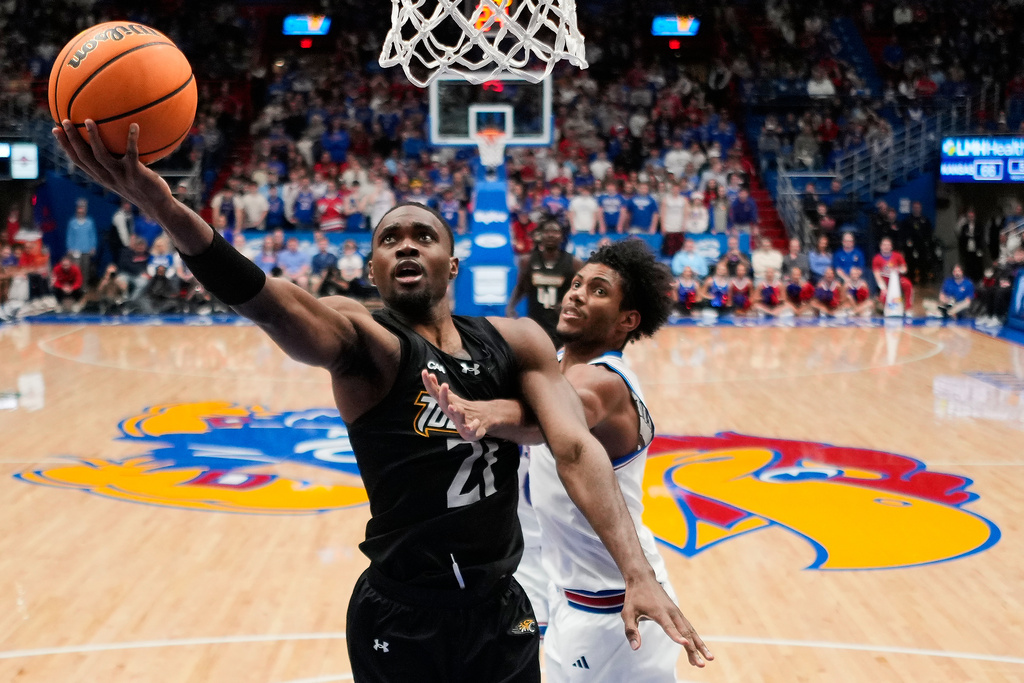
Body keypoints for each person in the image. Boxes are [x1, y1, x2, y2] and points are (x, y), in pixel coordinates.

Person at [55, 120, 705, 682]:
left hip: (500, 605)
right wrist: (166, 206)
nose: (406, 245)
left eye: (423, 235)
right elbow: (270, 303)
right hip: (401, 612)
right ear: (372, 273)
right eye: (390, 240)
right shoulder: (365, 341)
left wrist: (637, 570)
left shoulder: (519, 341)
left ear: (453, 263)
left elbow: (573, 446)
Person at [421, 240, 711, 679]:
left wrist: (487, 413)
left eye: (597, 290)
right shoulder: (555, 364)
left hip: (617, 607)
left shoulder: (605, 383)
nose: (576, 293)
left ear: (627, 320)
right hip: (568, 594)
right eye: (576, 283)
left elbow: (554, 418)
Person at [507, 219, 584, 344]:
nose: (551, 235)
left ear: (562, 236)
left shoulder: (574, 263)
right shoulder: (527, 260)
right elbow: (521, 287)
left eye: (555, 232)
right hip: (536, 324)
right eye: (547, 231)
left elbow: (581, 291)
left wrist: (568, 304)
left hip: (561, 324)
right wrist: (511, 306)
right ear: (540, 235)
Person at [872, 237, 914, 314]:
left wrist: (898, 269)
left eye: (888, 245)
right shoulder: (876, 259)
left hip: (897, 279)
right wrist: (883, 287)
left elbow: (904, 269)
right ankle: (886, 308)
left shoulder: (897, 255)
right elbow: (877, 274)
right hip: (885, 280)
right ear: (881, 246)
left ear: (891, 246)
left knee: (908, 285)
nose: (886, 247)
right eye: (884, 245)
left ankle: (908, 308)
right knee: (884, 296)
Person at [66, 198, 97, 286]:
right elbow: (69, 236)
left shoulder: (89, 222)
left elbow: (92, 235)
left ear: (85, 210)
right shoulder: (72, 222)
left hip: (86, 250)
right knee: (76, 269)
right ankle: (75, 287)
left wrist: (93, 247)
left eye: (82, 208)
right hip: (75, 250)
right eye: (79, 208)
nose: (81, 210)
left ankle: (84, 287)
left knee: (85, 269)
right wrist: (69, 248)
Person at [957, 208, 985, 282]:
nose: (971, 218)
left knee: (978, 264)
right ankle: (969, 279)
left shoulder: (979, 225)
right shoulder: (964, 227)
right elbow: (962, 239)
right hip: (968, 249)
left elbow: (981, 237)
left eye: (972, 216)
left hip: (977, 249)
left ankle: (979, 279)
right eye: (969, 216)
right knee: (969, 265)